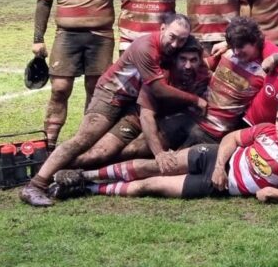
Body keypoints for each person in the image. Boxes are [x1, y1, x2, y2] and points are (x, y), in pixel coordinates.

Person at [20, 15, 205, 207]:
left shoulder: (171, 51)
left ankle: (64, 173)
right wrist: (195, 100)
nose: (175, 44)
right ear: (163, 28)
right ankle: (35, 185)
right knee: (82, 140)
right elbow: (158, 89)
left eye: (181, 40)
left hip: (130, 102)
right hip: (110, 95)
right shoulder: (146, 48)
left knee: (104, 151)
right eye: (172, 37)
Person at [50, 101, 278, 204]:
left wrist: (275, 193)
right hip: (212, 157)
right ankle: (83, 175)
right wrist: (220, 166)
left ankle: (88, 189)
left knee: (150, 185)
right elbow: (231, 138)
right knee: (152, 166)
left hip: (220, 185)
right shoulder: (266, 129)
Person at [32, 0, 130, 148]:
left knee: (96, 91)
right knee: (59, 89)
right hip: (67, 35)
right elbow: (44, 1)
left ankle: (87, 144)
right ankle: (49, 144)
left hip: (101, 36)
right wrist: (38, 38)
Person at [70, 36, 210, 169]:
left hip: (165, 122)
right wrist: (159, 154)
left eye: (193, 60)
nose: (188, 66)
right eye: (183, 59)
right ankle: (65, 166)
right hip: (136, 118)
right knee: (100, 152)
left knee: (133, 150)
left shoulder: (203, 74)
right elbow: (146, 115)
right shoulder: (160, 76)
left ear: (200, 61)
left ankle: (89, 170)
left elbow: (218, 61)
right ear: (174, 59)